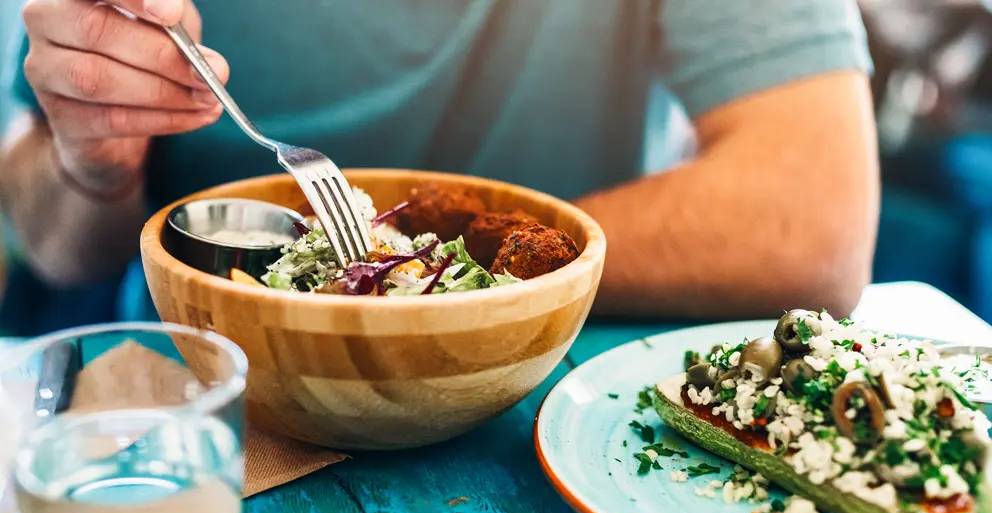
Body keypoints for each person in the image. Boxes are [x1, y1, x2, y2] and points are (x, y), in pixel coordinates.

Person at [0, 0, 879, 329]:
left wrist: (444, 287)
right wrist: (96, 165)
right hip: (194, 396)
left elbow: (813, 222)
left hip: (549, 393)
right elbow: (55, 245)